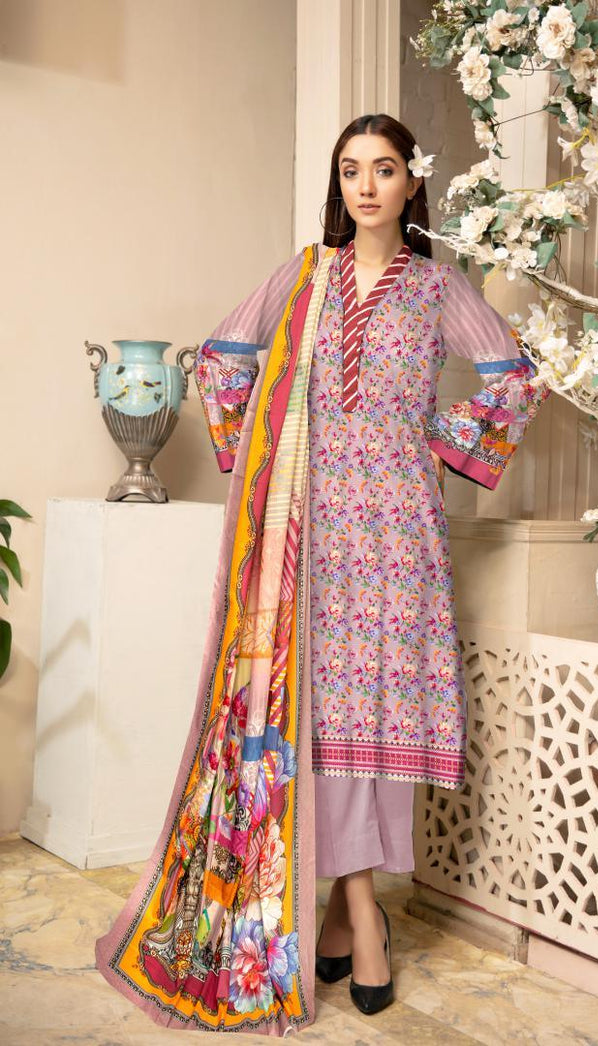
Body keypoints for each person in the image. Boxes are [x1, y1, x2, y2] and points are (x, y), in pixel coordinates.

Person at [95, 113, 550, 1035]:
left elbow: (516, 379)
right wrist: (262, 464)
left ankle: (344, 912)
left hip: (402, 536)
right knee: (324, 714)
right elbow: (223, 359)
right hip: (307, 531)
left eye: (384, 169)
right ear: (338, 184)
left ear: (412, 183)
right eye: (351, 170)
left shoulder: (438, 287)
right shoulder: (305, 276)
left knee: (383, 714)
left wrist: (431, 446)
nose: (367, 187)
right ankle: (365, 913)